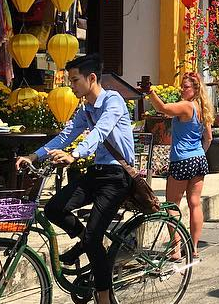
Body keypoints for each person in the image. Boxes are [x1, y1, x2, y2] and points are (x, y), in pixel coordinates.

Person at [17, 55, 135, 304]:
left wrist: (74, 155)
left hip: (117, 176)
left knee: (94, 239)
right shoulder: (85, 109)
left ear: (92, 78)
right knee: (53, 208)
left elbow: (101, 131)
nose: (71, 86)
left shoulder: (113, 102)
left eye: (74, 80)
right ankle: (87, 242)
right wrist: (34, 155)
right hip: (97, 173)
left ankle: (103, 297)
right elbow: (66, 134)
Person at [148, 71, 212, 260]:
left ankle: (176, 249)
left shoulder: (187, 106)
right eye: (182, 86)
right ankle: (193, 248)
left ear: (195, 89)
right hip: (199, 159)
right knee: (194, 203)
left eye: (185, 87)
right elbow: (208, 138)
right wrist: (199, 152)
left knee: (172, 206)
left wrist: (149, 91)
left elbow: (163, 108)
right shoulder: (203, 108)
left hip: (181, 160)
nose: (182, 90)